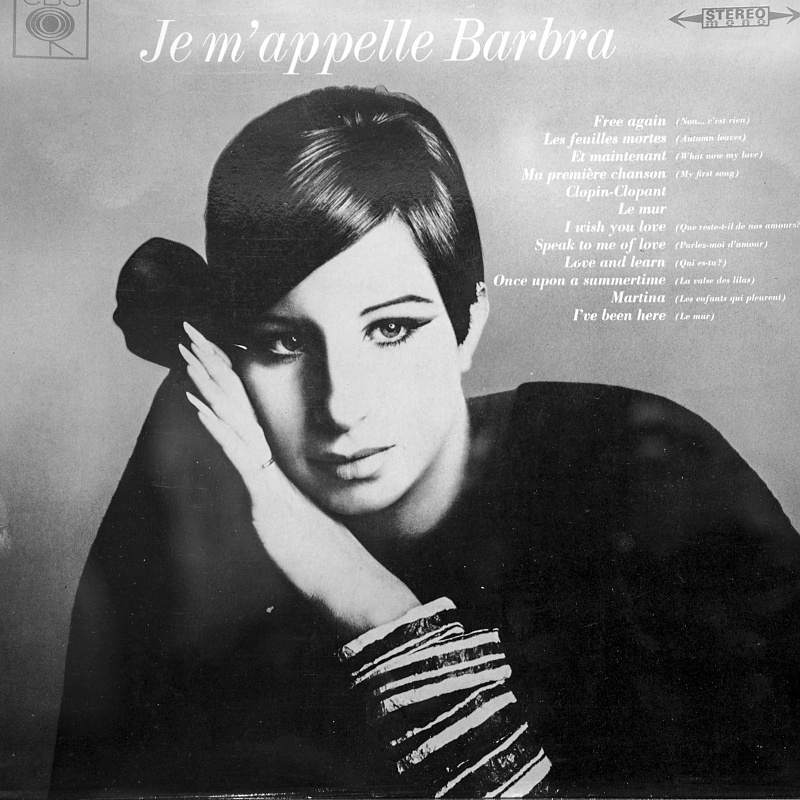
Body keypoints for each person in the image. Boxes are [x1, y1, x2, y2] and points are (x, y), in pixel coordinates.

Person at [51, 86, 800, 797]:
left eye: (390, 328)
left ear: (468, 324)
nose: (340, 406)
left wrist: (377, 612)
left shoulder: (639, 470)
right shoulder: (200, 535)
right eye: (283, 342)